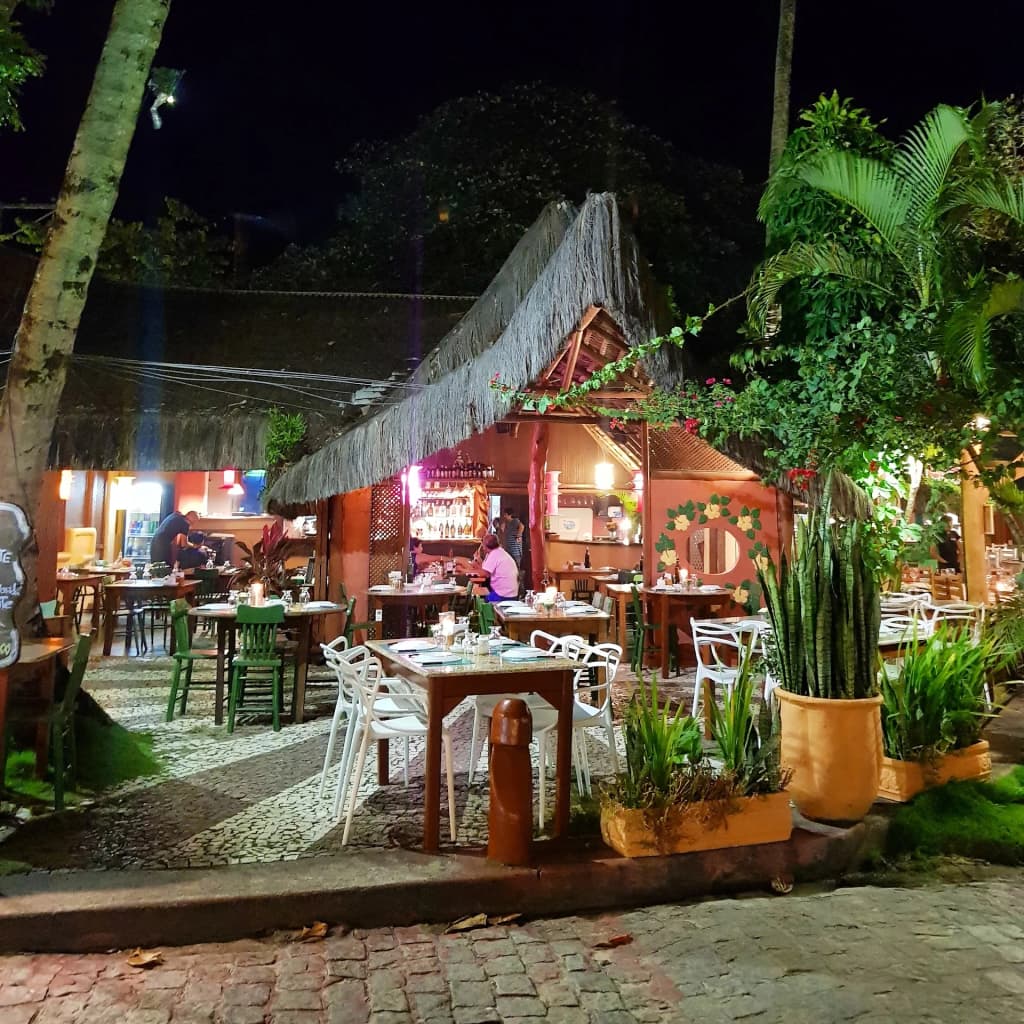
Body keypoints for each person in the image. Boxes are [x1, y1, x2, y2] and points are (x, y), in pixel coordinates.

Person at [457, 534, 518, 602]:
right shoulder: (498, 552)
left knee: (478, 596)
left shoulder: (494, 554)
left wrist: (463, 570)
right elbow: (485, 569)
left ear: (485, 546)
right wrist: (478, 561)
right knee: (476, 592)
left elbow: (484, 574)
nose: (482, 546)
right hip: (510, 593)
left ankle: (477, 609)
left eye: (482, 544)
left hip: (503, 595)